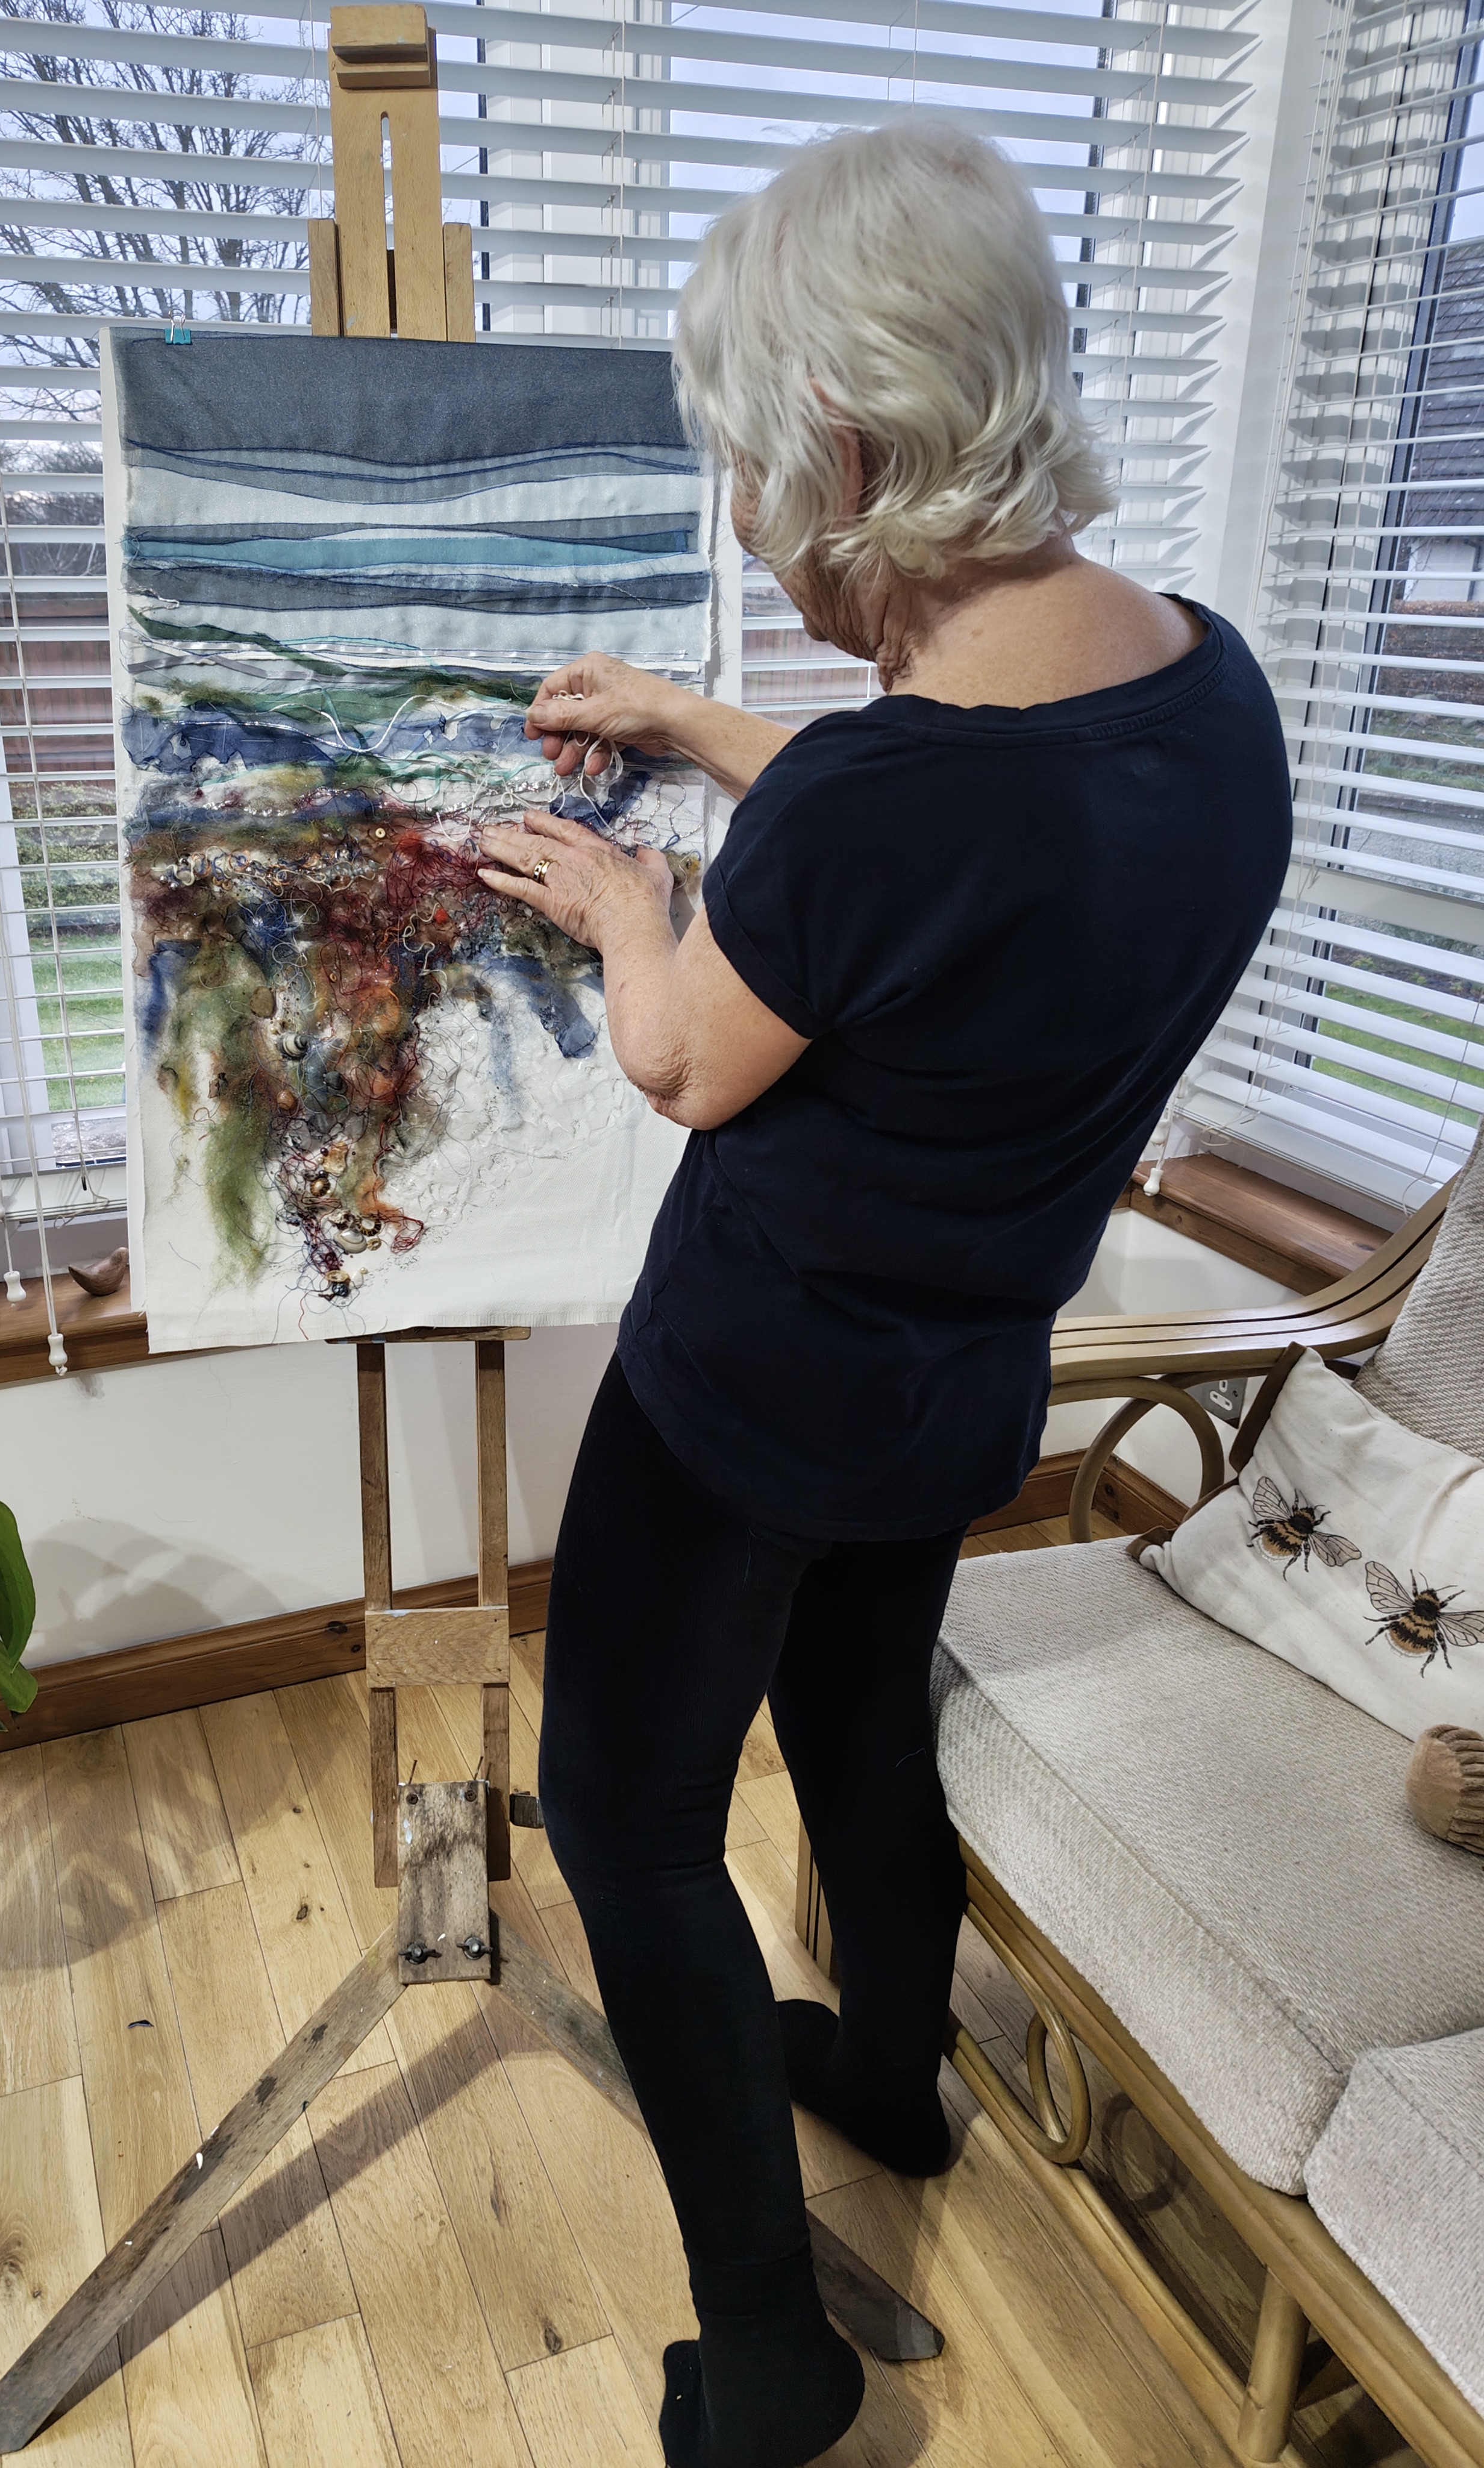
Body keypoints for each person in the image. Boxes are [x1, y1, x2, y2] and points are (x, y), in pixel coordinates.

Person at [475, 118, 1292, 2468]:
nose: (750, 522)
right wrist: (704, 730)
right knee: (860, 1726)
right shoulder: (1205, 703)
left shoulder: (873, 811)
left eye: (748, 470)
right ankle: (899, 2080)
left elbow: (691, 1052)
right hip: (963, 1391)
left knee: (629, 1812)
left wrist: (632, 910)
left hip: (745, 1401)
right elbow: (937, 832)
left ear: (845, 445)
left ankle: (776, 2360)